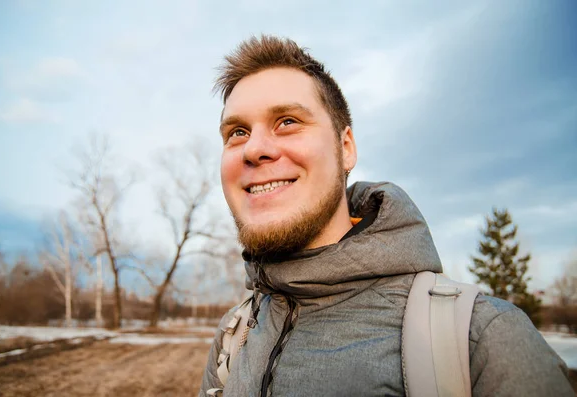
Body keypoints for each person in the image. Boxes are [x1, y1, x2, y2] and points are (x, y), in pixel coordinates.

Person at [200, 35, 572, 397]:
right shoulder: (234, 336)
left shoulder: (481, 338)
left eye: (287, 122)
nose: (255, 149)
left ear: (346, 148)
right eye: (238, 132)